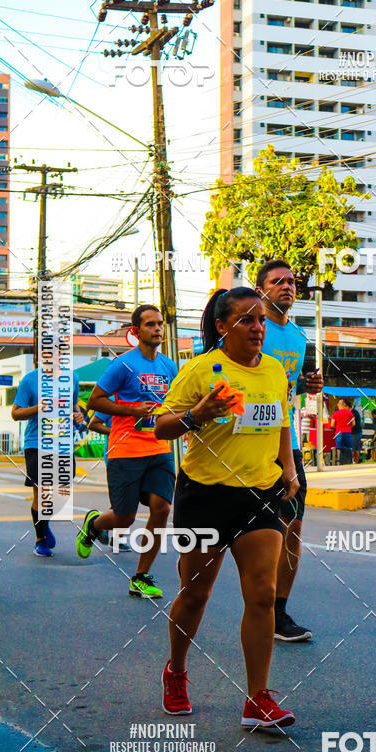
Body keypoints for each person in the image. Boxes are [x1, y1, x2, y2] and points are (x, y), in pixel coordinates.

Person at [154, 287, 299, 729]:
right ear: (222, 327)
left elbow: (281, 423)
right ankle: (176, 671)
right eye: (247, 320)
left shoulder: (274, 371)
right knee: (196, 593)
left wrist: (289, 469)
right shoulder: (199, 370)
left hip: (261, 494)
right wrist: (197, 414)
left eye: (261, 320)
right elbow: (161, 427)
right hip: (205, 496)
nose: (258, 328)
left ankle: (258, 699)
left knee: (261, 596)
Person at [76, 305, 177, 600]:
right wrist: (131, 410)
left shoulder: (170, 366)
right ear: (136, 330)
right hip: (125, 449)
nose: (157, 329)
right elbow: (96, 400)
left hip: (159, 448)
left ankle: (141, 576)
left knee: (162, 509)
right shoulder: (122, 365)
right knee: (124, 518)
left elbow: (175, 401)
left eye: (160, 324)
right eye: (150, 325)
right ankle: (93, 524)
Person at [255, 260, 323, 642]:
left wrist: (307, 385)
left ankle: (278, 612)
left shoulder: (299, 337)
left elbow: (290, 389)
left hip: (288, 445)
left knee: (291, 528)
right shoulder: (251, 329)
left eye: (291, 282)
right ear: (261, 290)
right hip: (246, 444)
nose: (286, 287)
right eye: (276, 282)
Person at [11, 366, 83, 557]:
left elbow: (74, 406)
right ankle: (40, 539)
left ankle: (45, 523)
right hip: (37, 443)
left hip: (63, 443)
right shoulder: (30, 380)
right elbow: (16, 413)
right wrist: (38, 408)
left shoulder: (72, 377)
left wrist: (78, 416)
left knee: (62, 493)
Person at [88, 410, 132, 553]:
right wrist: (119, 431)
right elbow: (93, 424)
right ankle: (100, 526)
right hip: (117, 454)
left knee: (129, 497)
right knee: (124, 497)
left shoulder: (139, 397)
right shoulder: (111, 399)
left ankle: (110, 533)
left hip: (139, 453)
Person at [330, 399, 355, 465]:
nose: (337, 404)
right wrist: (348, 427)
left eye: (338, 403)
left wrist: (338, 428)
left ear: (340, 405)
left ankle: (339, 462)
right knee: (349, 448)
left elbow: (332, 425)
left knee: (339, 448)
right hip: (348, 433)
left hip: (339, 433)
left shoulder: (335, 413)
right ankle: (349, 462)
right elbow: (354, 423)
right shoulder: (350, 413)